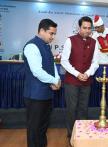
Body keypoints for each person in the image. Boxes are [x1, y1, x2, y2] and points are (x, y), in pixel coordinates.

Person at [23, 18, 61, 147]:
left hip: (46, 94)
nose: (53, 37)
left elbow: (52, 65)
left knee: (43, 128)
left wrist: (57, 79)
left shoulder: (45, 46)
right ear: (41, 31)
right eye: (51, 33)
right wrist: (54, 80)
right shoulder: (32, 46)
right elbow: (37, 71)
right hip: (35, 96)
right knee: (34, 130)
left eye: (54, 34)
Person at [61, 16, 99, 139]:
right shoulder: (70, 40)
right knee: (71, 109)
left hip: (86, 81)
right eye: (84, 28)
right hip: (71, 81)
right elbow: (64, 61)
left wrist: (87, 74)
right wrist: (77, 73)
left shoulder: (94, 42)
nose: (87, 30)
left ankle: (82, 134)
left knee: (83, 108)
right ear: (79, 27)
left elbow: (95, 62)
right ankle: (71, 135)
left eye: (89, 28)